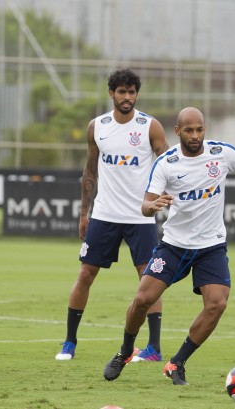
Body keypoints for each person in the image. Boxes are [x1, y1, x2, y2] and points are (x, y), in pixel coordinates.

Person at [102, 107, 235, 385]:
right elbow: (146, 205)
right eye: (189, 130)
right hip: (174, 245)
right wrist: (154, 205)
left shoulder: (221, 153)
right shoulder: (167, 163)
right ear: (178, 131)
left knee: (217, 304)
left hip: (211, 246)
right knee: (142, 300)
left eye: (199, 129)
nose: (195, 135)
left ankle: (177, 363)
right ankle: (125, 351)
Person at [55, 69, 169, 362]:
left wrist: (161, 199)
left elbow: (169, 163)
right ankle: (69, 343)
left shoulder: (150, 126)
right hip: (104, 215)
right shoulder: (98, 127)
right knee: (85, 274)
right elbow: (90, 170)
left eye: (132, 92)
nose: (127, 97)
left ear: (137, 95)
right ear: (111, 94)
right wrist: (84, 213)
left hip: (141, 218)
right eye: (122, 92)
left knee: (149, 279)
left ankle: (154, 348)